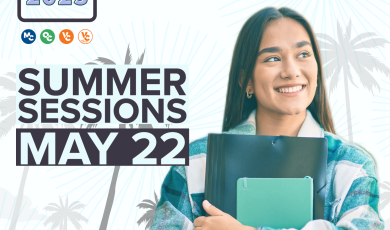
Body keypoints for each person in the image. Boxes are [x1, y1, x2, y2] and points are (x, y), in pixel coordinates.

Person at [150, 6, 384, 230]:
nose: (291, 71)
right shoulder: (196, 162)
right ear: (246, 80)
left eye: (303, 54)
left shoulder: (351, 166)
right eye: (272, 58)